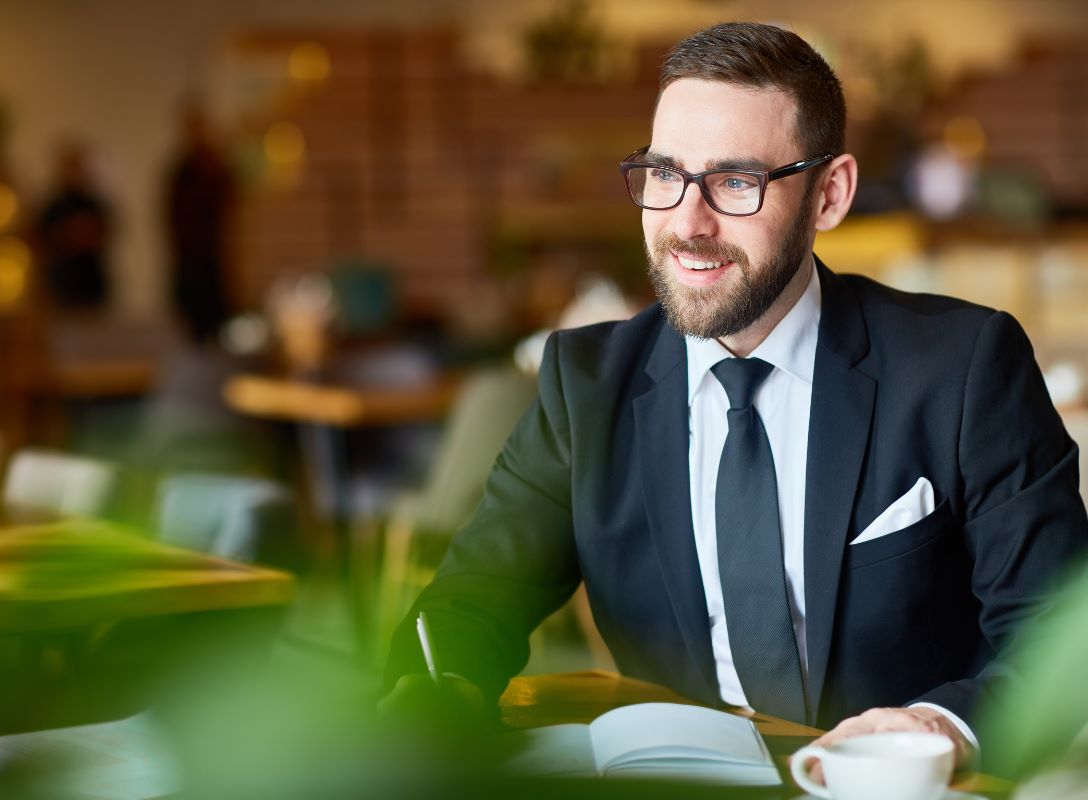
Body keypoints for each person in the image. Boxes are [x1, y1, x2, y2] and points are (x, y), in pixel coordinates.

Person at [382, 21, 1088, 768]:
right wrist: (439, 686)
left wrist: (939, 731)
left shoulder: (963, 366)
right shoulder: (583, 386)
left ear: (830, 195)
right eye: (664, 175)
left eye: (736, 182)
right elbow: (471, 599)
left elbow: (1060, 639)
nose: (688, 222)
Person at [164, 102, 233, 344]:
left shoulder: (216, 168)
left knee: (218, 328)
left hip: (214, 260)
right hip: (190, 263)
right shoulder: (181, 172)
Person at [36, 141, 112, 310]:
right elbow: (41, 239)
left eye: (76, 165)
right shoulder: (53, 207)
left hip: (90, 283)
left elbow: (106, 233)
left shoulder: (94, 204)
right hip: (61, 284)